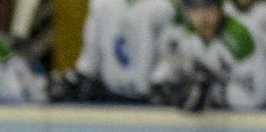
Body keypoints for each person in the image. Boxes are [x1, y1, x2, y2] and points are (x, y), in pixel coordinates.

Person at [148, 0, 266, 111]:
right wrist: (167, 90)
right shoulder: (181, 34)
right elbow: (160, 80)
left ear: (220, 9)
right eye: (195, 9)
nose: (203, 16)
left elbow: (258, 98)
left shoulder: (240, 35)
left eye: (209, 8)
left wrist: (209, 92)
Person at [48, 0, 177, 102]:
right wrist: (76, 79)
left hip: (150, 100)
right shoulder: (100, 4)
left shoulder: (164, 7)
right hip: (110, 97)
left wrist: (161, 83)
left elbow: (169, 58)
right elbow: (89, 62)